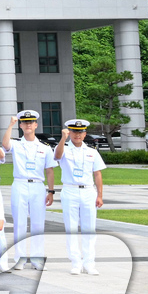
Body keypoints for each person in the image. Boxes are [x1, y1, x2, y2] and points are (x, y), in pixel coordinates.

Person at [3, 109, 56, 270]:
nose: (28, 125)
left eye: (30, 122)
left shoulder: (44, 147)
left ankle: (37, 258)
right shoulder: (17, 144)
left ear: (36, 125)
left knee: (38, 223)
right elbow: (5, 145)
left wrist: (51, 191)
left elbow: (50, 170)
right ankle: (19, 258)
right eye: (24, 122)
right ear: (21, 125)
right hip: (20, 184)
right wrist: (10, 125)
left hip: (38, 186)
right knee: (19, 222)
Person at [55, 118, 105, 275]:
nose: (77, 135)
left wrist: (100, 195)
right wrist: (63, 139)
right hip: (70, 190)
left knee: (89, 228)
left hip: (88, 191)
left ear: (85, 134)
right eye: (74, 132)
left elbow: (97, 174)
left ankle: (89, 263)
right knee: (71, 227)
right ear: (70, 133)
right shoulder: (64, 148)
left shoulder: (92, 152)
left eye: (80, 132)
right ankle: (76, 262)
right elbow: (57, 156)